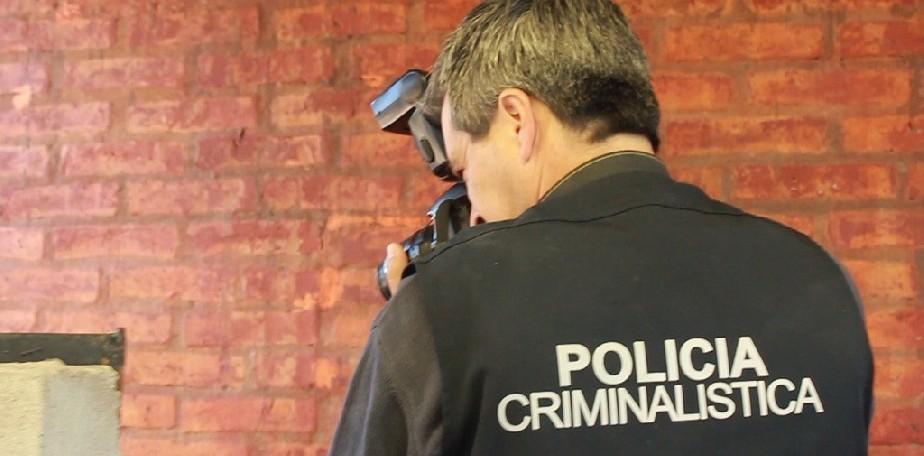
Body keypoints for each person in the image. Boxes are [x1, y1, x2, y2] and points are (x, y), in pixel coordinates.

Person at [329, 0, 874, 454]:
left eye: (466, 169)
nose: (473, 214)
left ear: (517, 120)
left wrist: (422, 329)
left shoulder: (441, 309)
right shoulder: (818, 278)